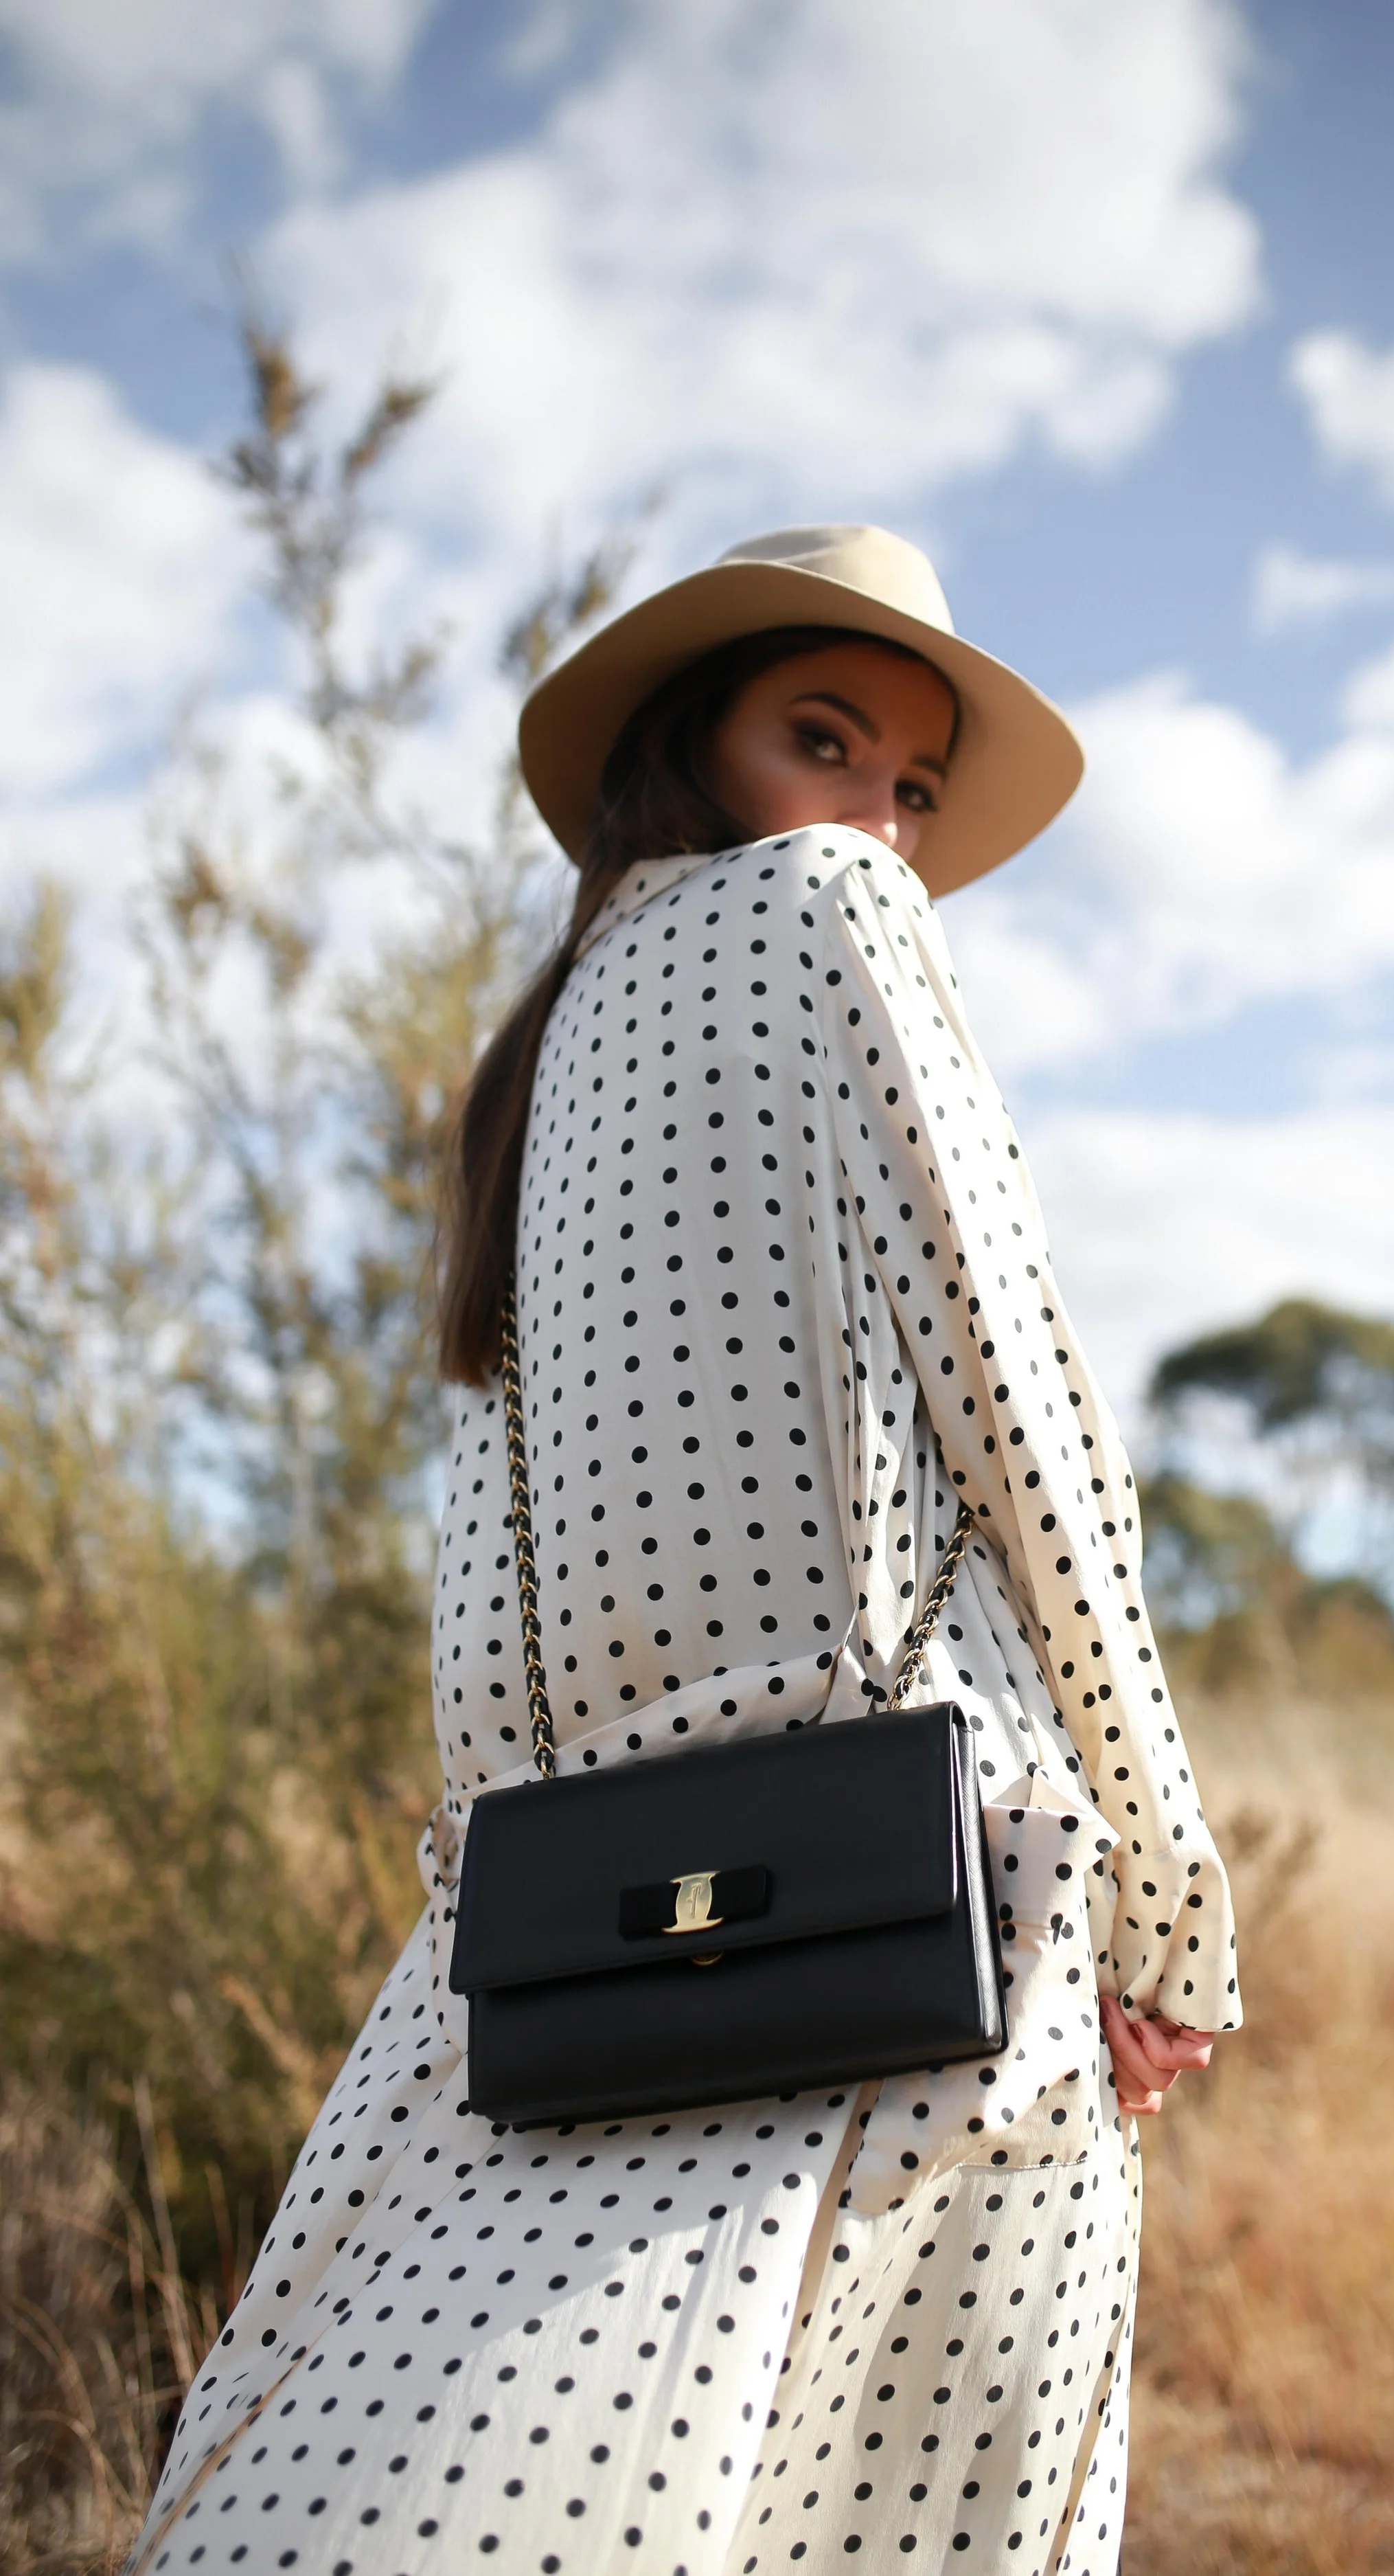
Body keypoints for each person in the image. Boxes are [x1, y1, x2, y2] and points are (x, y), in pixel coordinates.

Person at [128, 524, 1239, 2576]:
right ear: (687, 749)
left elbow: (488, 1581)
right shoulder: (826, 917)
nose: (878, 826)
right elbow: (1031, 1430)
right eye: (822, 740)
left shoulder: (529, 1060)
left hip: (577, 1934)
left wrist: (495, 1903)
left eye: (910, 784)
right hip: (933, 1889)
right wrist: (1170, 1900)